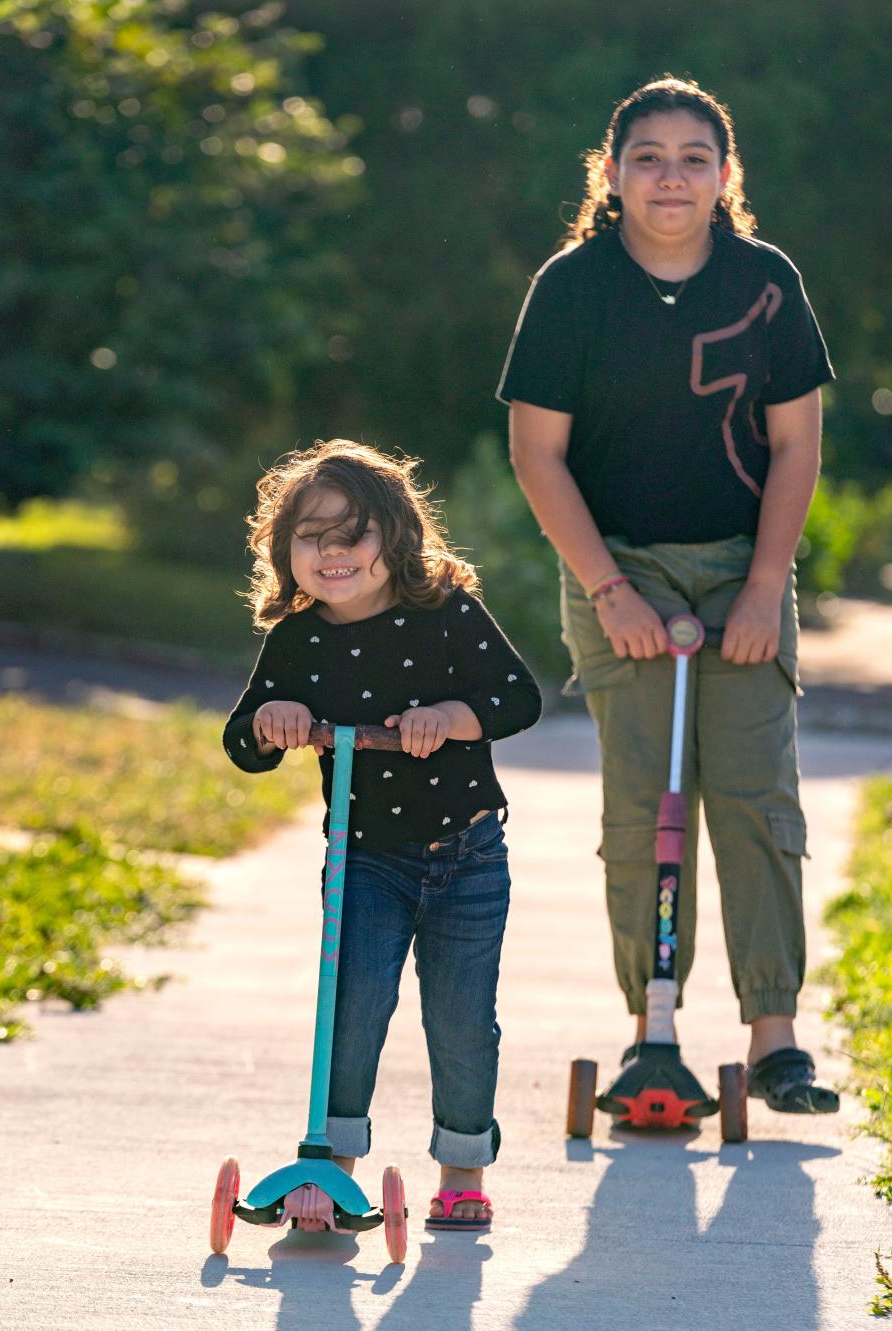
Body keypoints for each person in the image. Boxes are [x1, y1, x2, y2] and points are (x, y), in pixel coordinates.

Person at [498, 75, 839, 1114]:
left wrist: (763, 587)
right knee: (643, 809)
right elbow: (537, 454)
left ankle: (776, 1035)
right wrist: (608, 589)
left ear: (726, 175)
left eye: (695, 157)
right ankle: (654, 1025)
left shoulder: (766, 283)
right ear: (611, 173)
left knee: (755, 798)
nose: (671, 176)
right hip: (621, 569)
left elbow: (796, 444)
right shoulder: (571, 288)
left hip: (745, 562)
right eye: (647, 156)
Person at [223, 438, 542, 1230]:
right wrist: (274, 721)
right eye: (311, 534)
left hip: (467, 854)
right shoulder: (297, 640)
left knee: (461, 1017)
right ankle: (329, 1171)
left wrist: (450, 718)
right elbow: (242, 739)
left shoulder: (446, 616)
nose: (332, 551)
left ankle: (462, 1169)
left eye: (353, 532)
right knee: (352, 1003)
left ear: (395, 538)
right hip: (362, 858)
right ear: (282, 549)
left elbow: (518, 695)